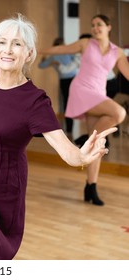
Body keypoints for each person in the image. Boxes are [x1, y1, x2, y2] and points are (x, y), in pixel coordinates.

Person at [0, 14, 116, 260]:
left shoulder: (35, 101)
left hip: (5, 179)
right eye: (2, 42)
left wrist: (82, 156)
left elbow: (64, 149)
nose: (7, 50)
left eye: (17, 44)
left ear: (29, 53)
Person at [40, 14, 128, 206]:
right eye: (93, 25)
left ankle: (91, 187)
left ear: (109, 27)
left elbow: (127, 73)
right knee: (119, 113)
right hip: (82, 90)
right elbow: (60, 49)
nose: (96, 28)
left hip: (99, 93)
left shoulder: (118, 52)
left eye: (100, 25)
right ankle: (86, 142)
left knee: (97, 145)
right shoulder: (86, 43)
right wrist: (37, 50)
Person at [38, 37, 78, 135]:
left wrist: (45, 56)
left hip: (67, 80)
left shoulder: (54, 56)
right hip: (72, 79)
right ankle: (69, 127)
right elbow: (78, 60)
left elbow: (41, 65)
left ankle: (69, 128)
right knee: (70, 103)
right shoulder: (66, 53)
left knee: (67, 102)